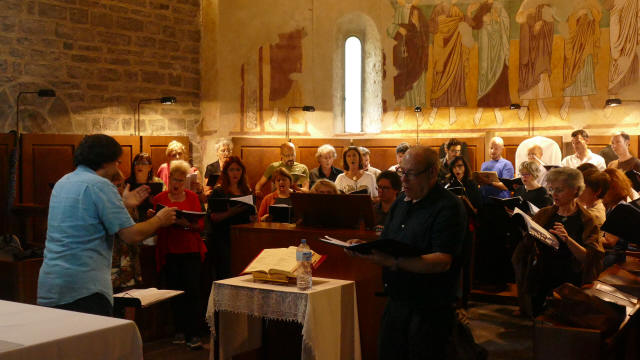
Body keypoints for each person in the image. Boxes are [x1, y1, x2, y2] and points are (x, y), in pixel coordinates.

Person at [346, 146, 467, 359]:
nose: (403, 180)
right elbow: (389, 240)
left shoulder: (448, 206)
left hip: (430, 309)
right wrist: (366, 246)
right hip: (396, 302)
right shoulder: (401, 201)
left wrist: (393, 261)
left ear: (431, 173)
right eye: (402, 172)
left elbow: (442, 261)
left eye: (410, 174)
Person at [37, 134, 176, 317]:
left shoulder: (63, 182)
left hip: (51, 284)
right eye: (117, 162)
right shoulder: (100, 185)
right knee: (94, 345)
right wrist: (159, 219)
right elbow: (131, 235)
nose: (118, 167)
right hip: (84, 289)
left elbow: (87, 218)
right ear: (105, 161)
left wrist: (123, 205)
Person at [512, 168, 604, 317]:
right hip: (543, 273)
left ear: (576, 190)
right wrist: (525, 226)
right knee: (538, 322)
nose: (553, 194)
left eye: (559, 190)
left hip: (571, 278)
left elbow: (590, 258)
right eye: (551, 189)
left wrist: (568, 240)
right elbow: (526, 246)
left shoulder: (587, 219)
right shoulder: (545, 214)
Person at [152, 160, 207, 350]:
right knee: (175, 292)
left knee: (193, 292)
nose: (177, 185)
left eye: (181, 181)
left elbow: (200, 225)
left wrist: (184, 223)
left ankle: (194, 333)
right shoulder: (160, 198)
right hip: (170, 249)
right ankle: (179, 330)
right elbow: (153, 224)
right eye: (174, 180)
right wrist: (155, 219)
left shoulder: (192, 197)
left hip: (190, 249)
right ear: (169, 180)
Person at [207, 156, 256, 280]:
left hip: (241, 239)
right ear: (226, 172)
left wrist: (253, 219)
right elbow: (213, 217)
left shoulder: (246, 191)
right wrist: (232, 212)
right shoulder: (218, 192)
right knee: (225, 273)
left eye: (238, 170)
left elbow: (250, 216)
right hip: (223, 239)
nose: (235, 173)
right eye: (231, 170)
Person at [446, 155, 481, 308]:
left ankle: (465, 300)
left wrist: (465, 201)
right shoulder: (448, 185)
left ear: (465, 168)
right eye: (455, 167)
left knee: (465, 264)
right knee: (452, 264)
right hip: (451, 228)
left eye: (460, 166)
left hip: (468, 227)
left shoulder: (471, 185)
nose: (458, 170)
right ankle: (452, 297)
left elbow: (477, 208)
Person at [109, 170, 142, 291]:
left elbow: (135, 225)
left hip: (129, 257)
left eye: (122, 185)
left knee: (131, 296)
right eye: (116, 186)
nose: (120, 189)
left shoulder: (129, 203)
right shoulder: (107, 205)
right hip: (114, 260)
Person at [601, 168, 634, 268]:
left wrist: (588, 236)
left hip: (615, 255)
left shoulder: (619, 208)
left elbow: (610, 242)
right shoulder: (614, 204)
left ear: (611, 188)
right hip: (612, 252)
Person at [125, 152, 165, 224]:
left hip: (153, 221)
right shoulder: (126, 184)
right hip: (132, 222)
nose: (140, 165)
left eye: (144, 163)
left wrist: (155, 206)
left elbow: (165, 202)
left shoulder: (158, 182)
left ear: (150, 167)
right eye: (137, 163)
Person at [479, 137, 514, 201]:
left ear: (501, 149)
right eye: (491, 148)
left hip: (500, 202)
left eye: (496, 148)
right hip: (484, 201)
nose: (493, 151)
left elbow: (506, 186)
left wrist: (489, 182)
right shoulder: (484, 164)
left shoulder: (507, 164)